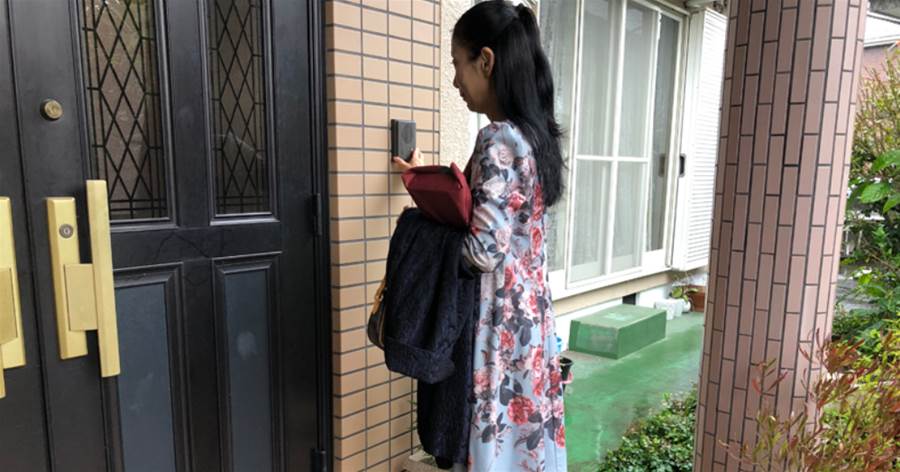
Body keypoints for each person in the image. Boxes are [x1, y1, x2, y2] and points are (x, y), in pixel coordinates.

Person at [394, 1, 567, 470]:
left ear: (485, 61)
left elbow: (481, 252)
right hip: (530, 321)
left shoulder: (497, 139)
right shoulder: (535, 136)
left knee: (491, 449)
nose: (455, 80)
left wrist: (419, 226)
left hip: (496, 323)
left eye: (457, 64)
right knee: (523, 449)